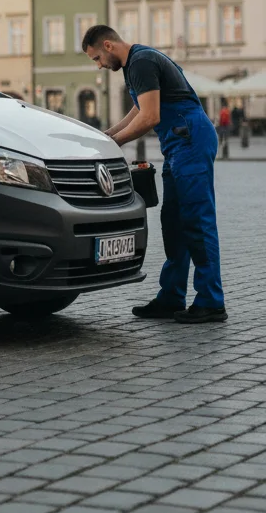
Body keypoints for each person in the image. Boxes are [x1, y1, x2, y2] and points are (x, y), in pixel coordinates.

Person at [82, 25, 226, 324]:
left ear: (108, 46)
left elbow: (151, 117)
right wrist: (108, 134)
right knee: (173, 222)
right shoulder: (134, 63)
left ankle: (212, 301)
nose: (98, 65)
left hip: (191, 139)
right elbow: (139, 109)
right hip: (178, 143)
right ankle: (171, 297)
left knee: (197, 221)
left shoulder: (142, 62)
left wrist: (116, 143)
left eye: (96, 58)